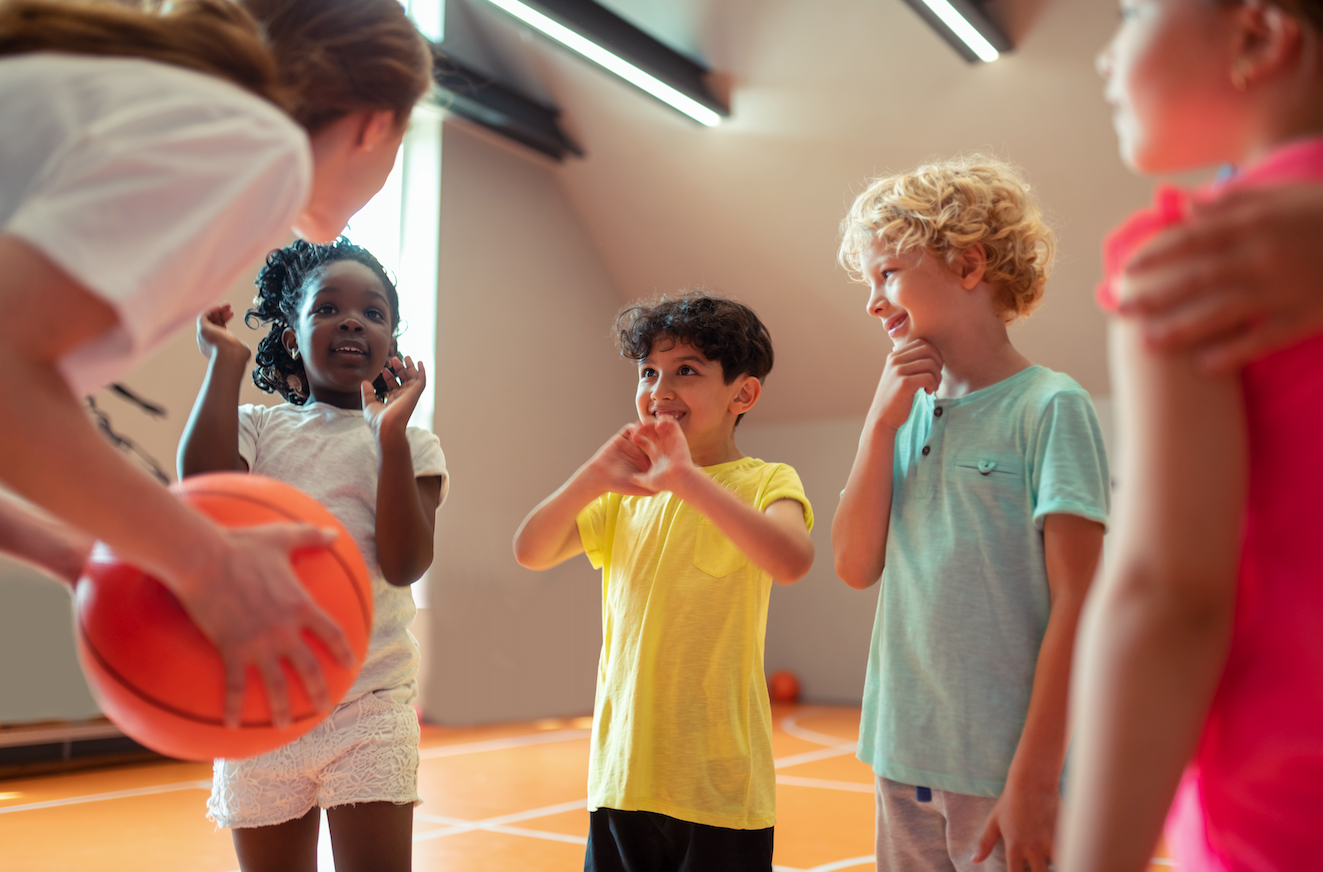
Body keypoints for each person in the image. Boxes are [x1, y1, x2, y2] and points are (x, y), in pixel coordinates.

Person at [0, 0, 433, 727]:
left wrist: (76, 555)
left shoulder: (155, 105)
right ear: (376, 123)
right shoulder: (252, 142)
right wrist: (207, 562)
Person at [1062, 1, 1323, 870]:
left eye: (1132, 13)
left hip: (1280, 814)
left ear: (1255, 37)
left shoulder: (1193, 264)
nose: (1104, 57)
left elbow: (1167, 595)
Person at [833, 157, 1110, 872]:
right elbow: (854, 565)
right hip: (899, 760)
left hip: (1005, 773)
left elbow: (1079, 603)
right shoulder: (900, 416)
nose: (872, 301)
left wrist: (1036, 776)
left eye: (887, 272)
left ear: (967, 264)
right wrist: (876, 428)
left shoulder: (1049, 406)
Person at [512, 292, 814, 872]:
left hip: (720, 791)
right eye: (649, 371)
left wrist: (687, 481)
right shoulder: (629, 498)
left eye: (687, 372)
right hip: (623, 779)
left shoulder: (767, 481)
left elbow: (792, 559)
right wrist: (592, 476)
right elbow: (531, 549)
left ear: (743, 394)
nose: (660, 388)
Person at [179, 238, 448, 872]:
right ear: (294, 337)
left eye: (374, 313)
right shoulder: (260, 427)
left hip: (370, 706)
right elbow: (202, 488)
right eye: (327, 307)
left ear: (390, 342)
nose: (353, 319)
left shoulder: (412, 443)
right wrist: (224, 364)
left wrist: (390, 436)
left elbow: (405, 563)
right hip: (262, 706)